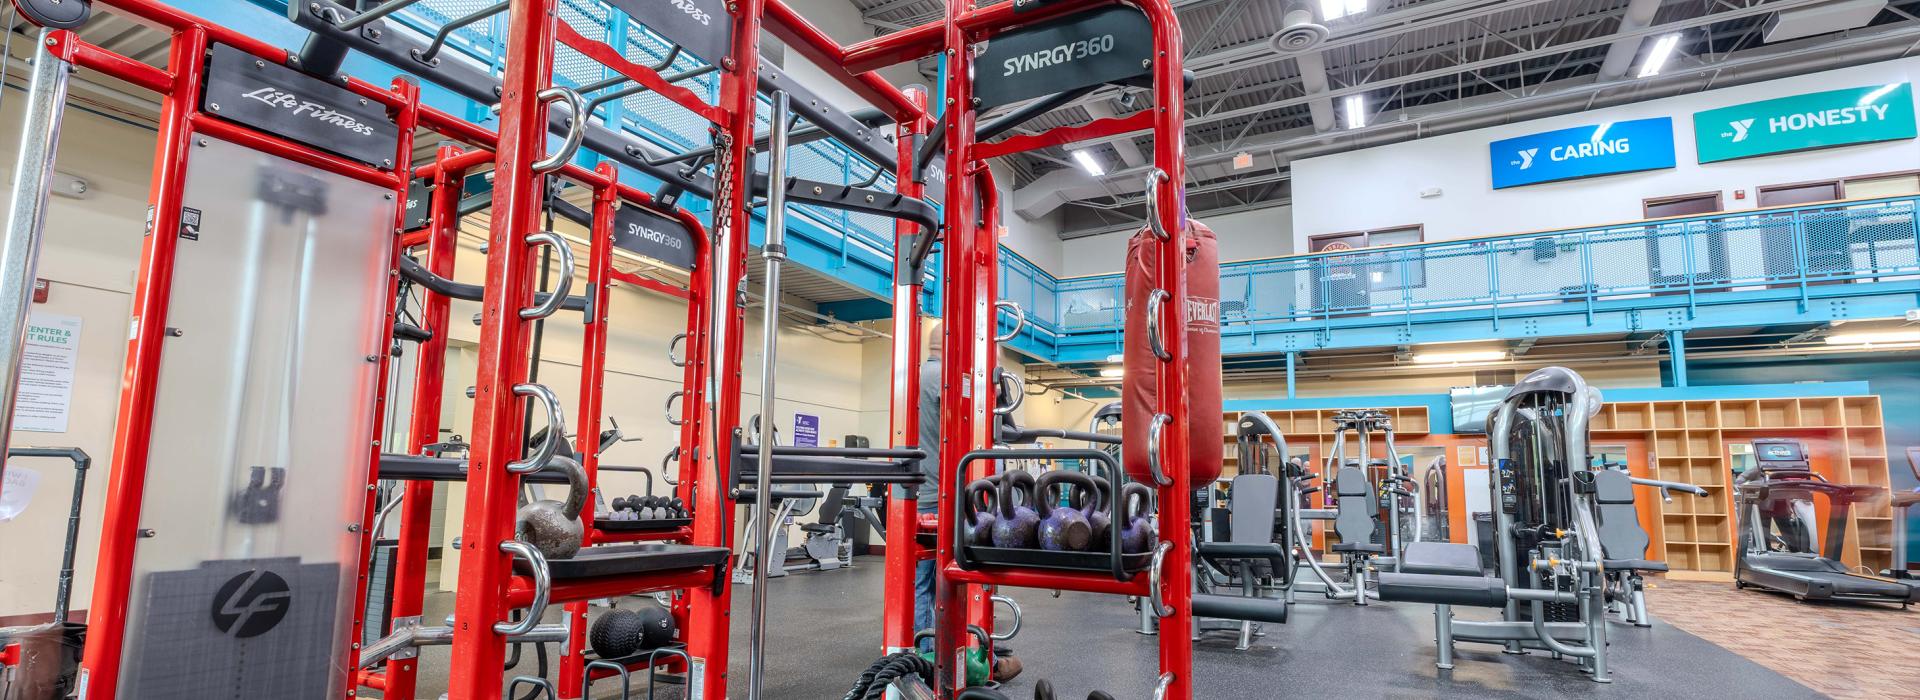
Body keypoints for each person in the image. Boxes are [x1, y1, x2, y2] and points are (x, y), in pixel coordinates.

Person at [913, 325, 1022, 681]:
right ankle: (932, 659)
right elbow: (991, 423)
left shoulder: (919, 376)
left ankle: (931, 652)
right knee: (946, 579)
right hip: (944, 497)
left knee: (926, 582)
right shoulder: (945, 379)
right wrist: (994, 385)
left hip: (923, 494)